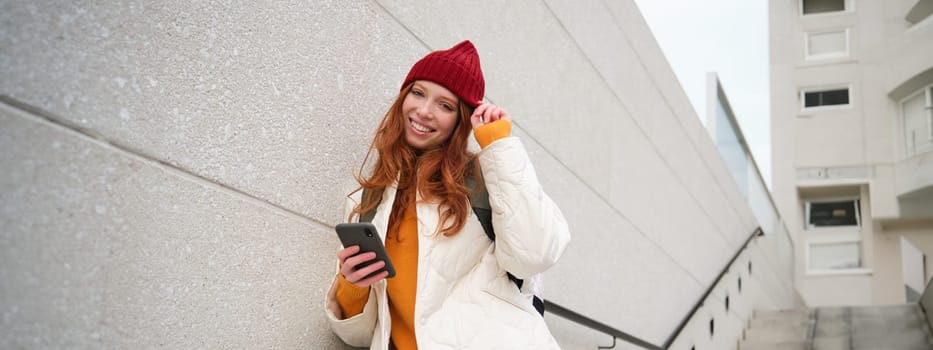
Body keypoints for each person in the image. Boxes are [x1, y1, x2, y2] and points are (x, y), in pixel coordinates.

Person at [324, 39, 571, 349]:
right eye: (418, 93)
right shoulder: (370, 200)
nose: (424, 111)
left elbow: (534, 255)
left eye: (445, 105)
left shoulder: (484, 178)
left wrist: (499, 145)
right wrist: (352, 285)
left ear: (461, 119)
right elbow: (359, 336)